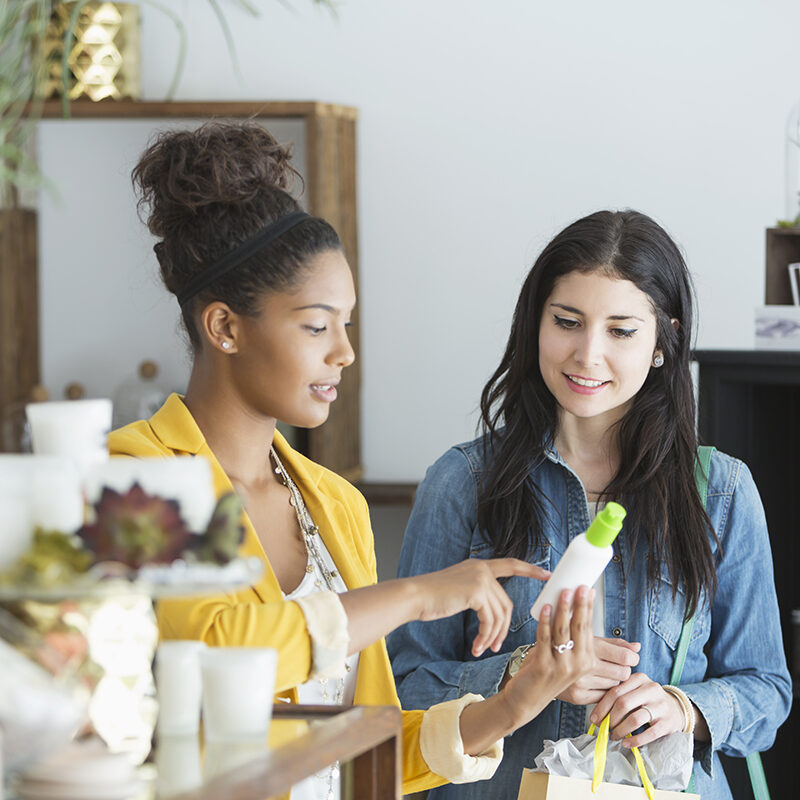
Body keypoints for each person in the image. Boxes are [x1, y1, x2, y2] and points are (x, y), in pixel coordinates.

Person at [108, 121, 596, 799]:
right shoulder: (136, 474)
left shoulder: (333, 504)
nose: (344, 352)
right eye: (316, 325)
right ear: (223, 327)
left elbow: (363, 750)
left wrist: (515, 703)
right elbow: (219, 650)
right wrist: (417, 595)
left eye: (347, 323)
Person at [388, 210, 792, 800]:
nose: (587, 354)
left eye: (621, 330)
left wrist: (683, 706)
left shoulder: (723, 492)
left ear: (662, 342)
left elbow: (768, 691)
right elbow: (404, 686)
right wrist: (521, 674)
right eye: (567, 322)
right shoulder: (463, 481)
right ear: (536, 325)